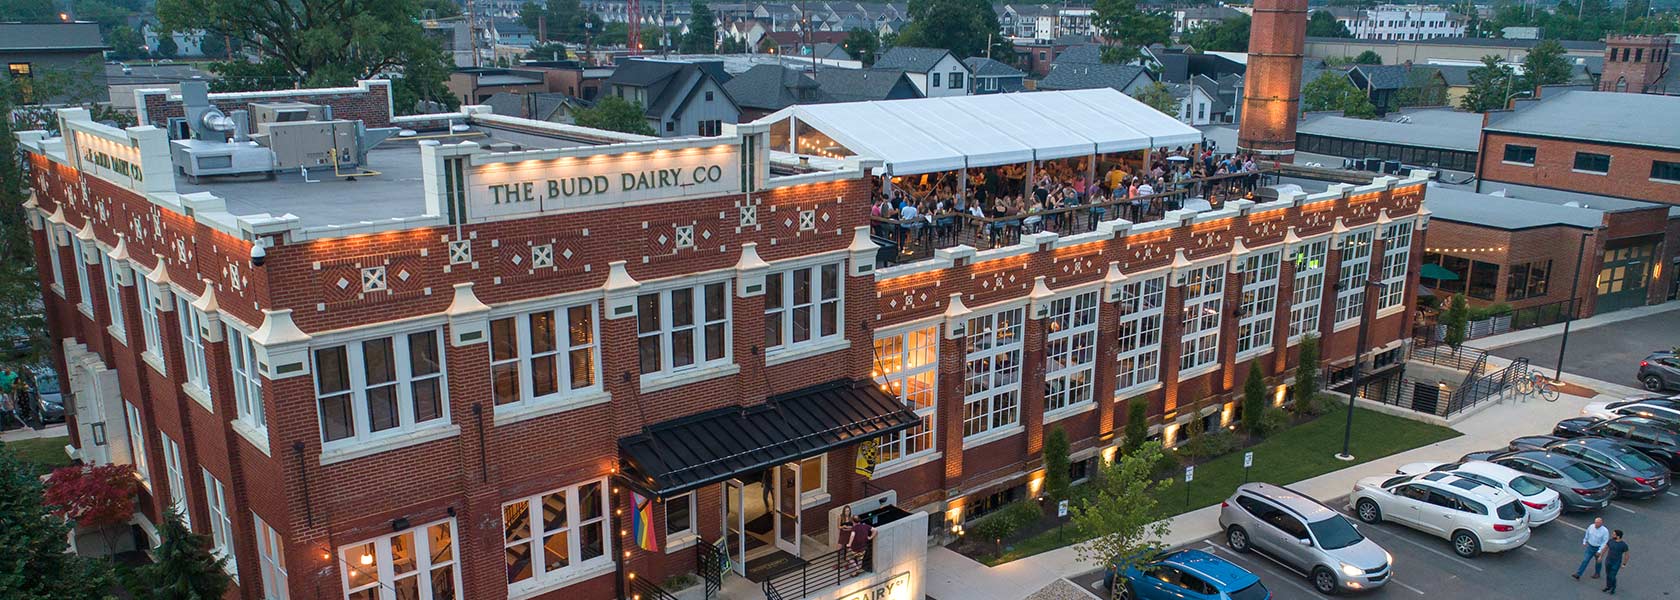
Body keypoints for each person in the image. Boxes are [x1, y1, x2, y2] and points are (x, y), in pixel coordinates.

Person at [1599, 529, 1628, 594]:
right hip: (1608, 561)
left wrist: (1624, 564)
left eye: (1614, 534)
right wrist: (1601, 556)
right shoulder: (1610, 541)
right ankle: (1608, 586)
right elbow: (1605, 548)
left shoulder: (1623, 545)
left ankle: (1613, 587)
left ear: (1618, 536)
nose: (1612, 535)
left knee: (1612, 576)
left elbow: (1627, 555)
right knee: (1608, 574)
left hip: (1616, 563)